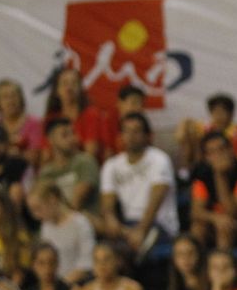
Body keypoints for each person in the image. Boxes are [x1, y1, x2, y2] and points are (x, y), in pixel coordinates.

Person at [100, 113, 179, 260]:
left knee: (125, 254)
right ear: (121, 135)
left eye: (136, 131)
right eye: (126, 131)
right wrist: (111, 220)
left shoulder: (159, 159)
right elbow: (107, 203)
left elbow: (157, 198)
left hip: (159, 225)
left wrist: (142, 229)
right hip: (127, 226)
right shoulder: (111, 165)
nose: (131, 136)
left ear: (146, 135)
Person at [45, 68, 117, 167]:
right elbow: (45, 156)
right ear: (57, 90)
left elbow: (90, 155)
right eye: (65, 83)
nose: (69, 88)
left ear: (80, 88)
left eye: (73, 83)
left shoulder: (91, 114)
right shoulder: (50, 119)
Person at [36, 116, 101, 216]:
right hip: (57, 220)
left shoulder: (85, 161)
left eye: (73, 133)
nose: (72, 139)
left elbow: (76, 202)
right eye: (65, 135)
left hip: (83, 219)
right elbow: (40, 202)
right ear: (51, 139)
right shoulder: (46, 172)